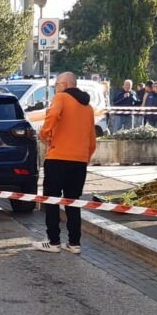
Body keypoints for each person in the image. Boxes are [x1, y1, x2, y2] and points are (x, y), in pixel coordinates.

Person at [35, 72, 96, 254]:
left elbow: (52, 116)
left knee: (51, 200)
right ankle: (74, 243)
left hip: (58, 158)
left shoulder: (60, 97)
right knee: (73, 202)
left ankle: (53, 241)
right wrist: (85, 157)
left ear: (65, 84)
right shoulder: (88, 107)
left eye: (56, 85)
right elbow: (92, 139)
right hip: (79, 161)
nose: (55, 88)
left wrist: (44, 135)